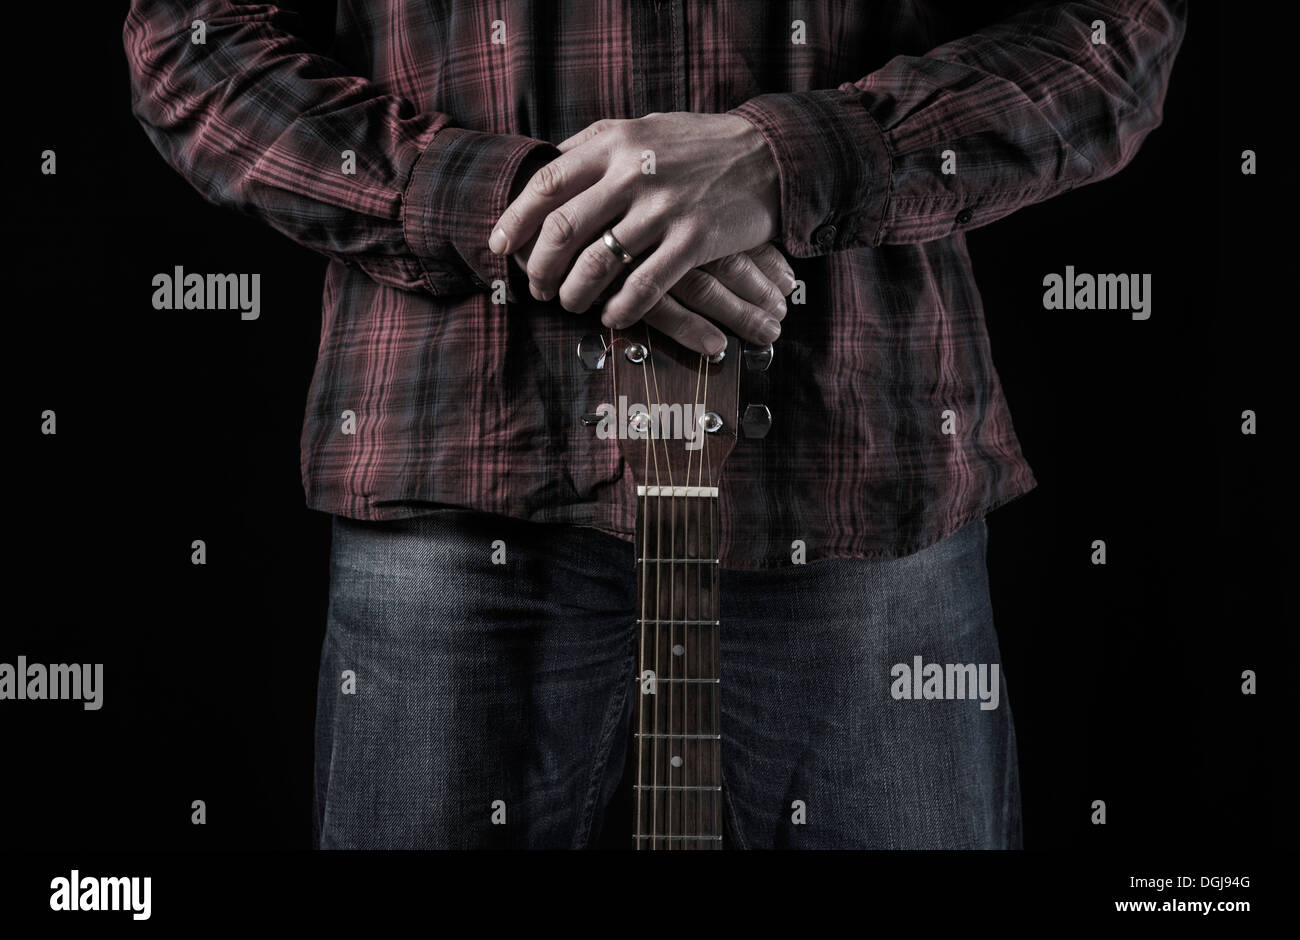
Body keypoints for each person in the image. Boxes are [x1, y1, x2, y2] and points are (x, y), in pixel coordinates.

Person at [124, 0, 1186, 849]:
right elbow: (190, 41)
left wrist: (795, 158)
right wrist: (519, 203)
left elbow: (1116, 33)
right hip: (464, 479)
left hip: (861, 478)